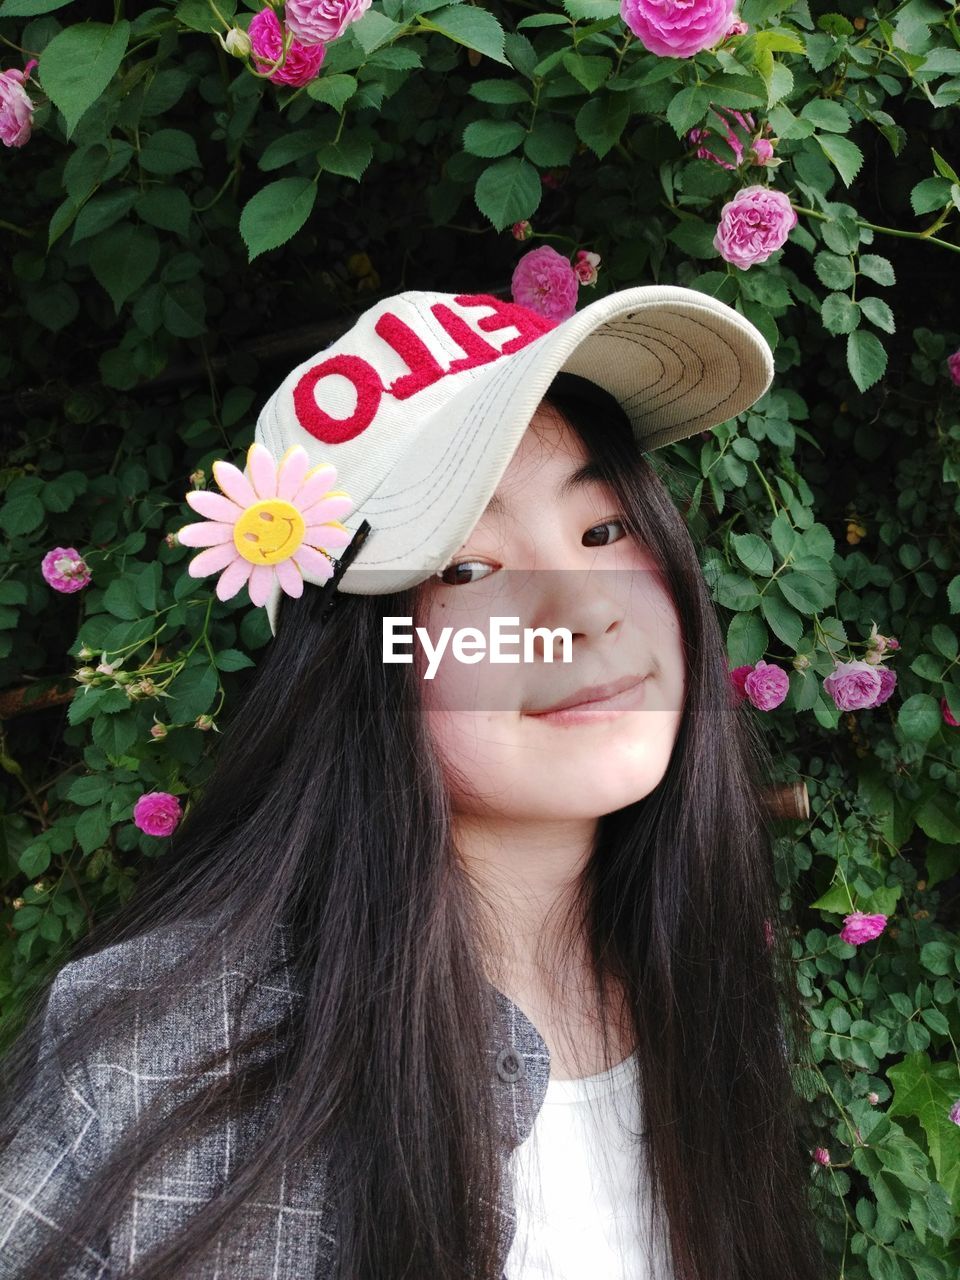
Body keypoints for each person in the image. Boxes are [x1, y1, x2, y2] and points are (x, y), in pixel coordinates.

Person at [0, 287, 827, 1280]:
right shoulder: (159, 1061)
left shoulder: (701, 986)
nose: (584, 610)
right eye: (470, 569)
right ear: (361, 658)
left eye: (605, 530)